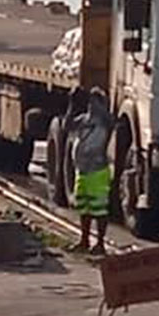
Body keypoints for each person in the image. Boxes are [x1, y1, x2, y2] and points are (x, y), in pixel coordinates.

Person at [69, 87, 114, 256]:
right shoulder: (83, 120)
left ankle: (100, 242)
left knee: (99, 209)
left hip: (98, 171)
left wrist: (98, 103)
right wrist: (72, 105)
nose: (91, 106)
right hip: (82, 170)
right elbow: (68, 126)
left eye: (95, 102)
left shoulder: (104, 122)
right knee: (83, 207)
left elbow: (110, 121)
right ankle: (84, 239)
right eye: (90, 103)